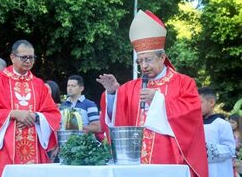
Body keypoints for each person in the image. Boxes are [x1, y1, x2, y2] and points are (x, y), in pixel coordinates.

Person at [96, 10, 208, 177]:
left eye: (148, 60)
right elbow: (116, 121)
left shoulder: (184, 83)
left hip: (169, 160)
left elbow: (191, 116)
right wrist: (112, 94)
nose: (144, 66)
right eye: (140, 61)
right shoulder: (129, 88)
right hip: (135, 162)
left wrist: (158, 101)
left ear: (162, 57)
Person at [0, 40, 61, 176]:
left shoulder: (39, 85)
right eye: (24, 57)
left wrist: (36, 117)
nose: (28, 61)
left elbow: (53, 113)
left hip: (35, 148)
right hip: (4, 147)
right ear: (12, 57)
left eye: (31, 57)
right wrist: (13, 113)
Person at [198, 87, 235, 177]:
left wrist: (204, 149)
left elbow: (230, 150)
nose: (196, 105)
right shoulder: (195, 124)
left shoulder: (222, 124)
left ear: (211, 102)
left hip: (218, 171)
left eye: (200, 102)